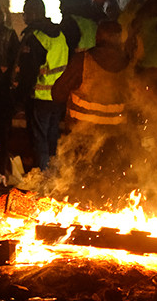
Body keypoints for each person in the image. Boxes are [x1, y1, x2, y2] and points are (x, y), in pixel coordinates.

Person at [51, 19, 133, 201]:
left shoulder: (83, 60)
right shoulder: (128, 65)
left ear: (98, 37)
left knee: (78, 186)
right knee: (109, 185)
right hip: (114, 137)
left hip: (81, 136)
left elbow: (57, 93)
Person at [18, 0, 69, 173]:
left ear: (32, 13)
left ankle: (42, 175)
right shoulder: (60, 34)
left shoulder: (35, 38)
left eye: (25, 13)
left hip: (40, 97)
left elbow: (28, 73)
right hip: (58, 95)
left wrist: (19, 97)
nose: (23, 17)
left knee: (39, 137)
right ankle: (54, 174)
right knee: (52, 135)